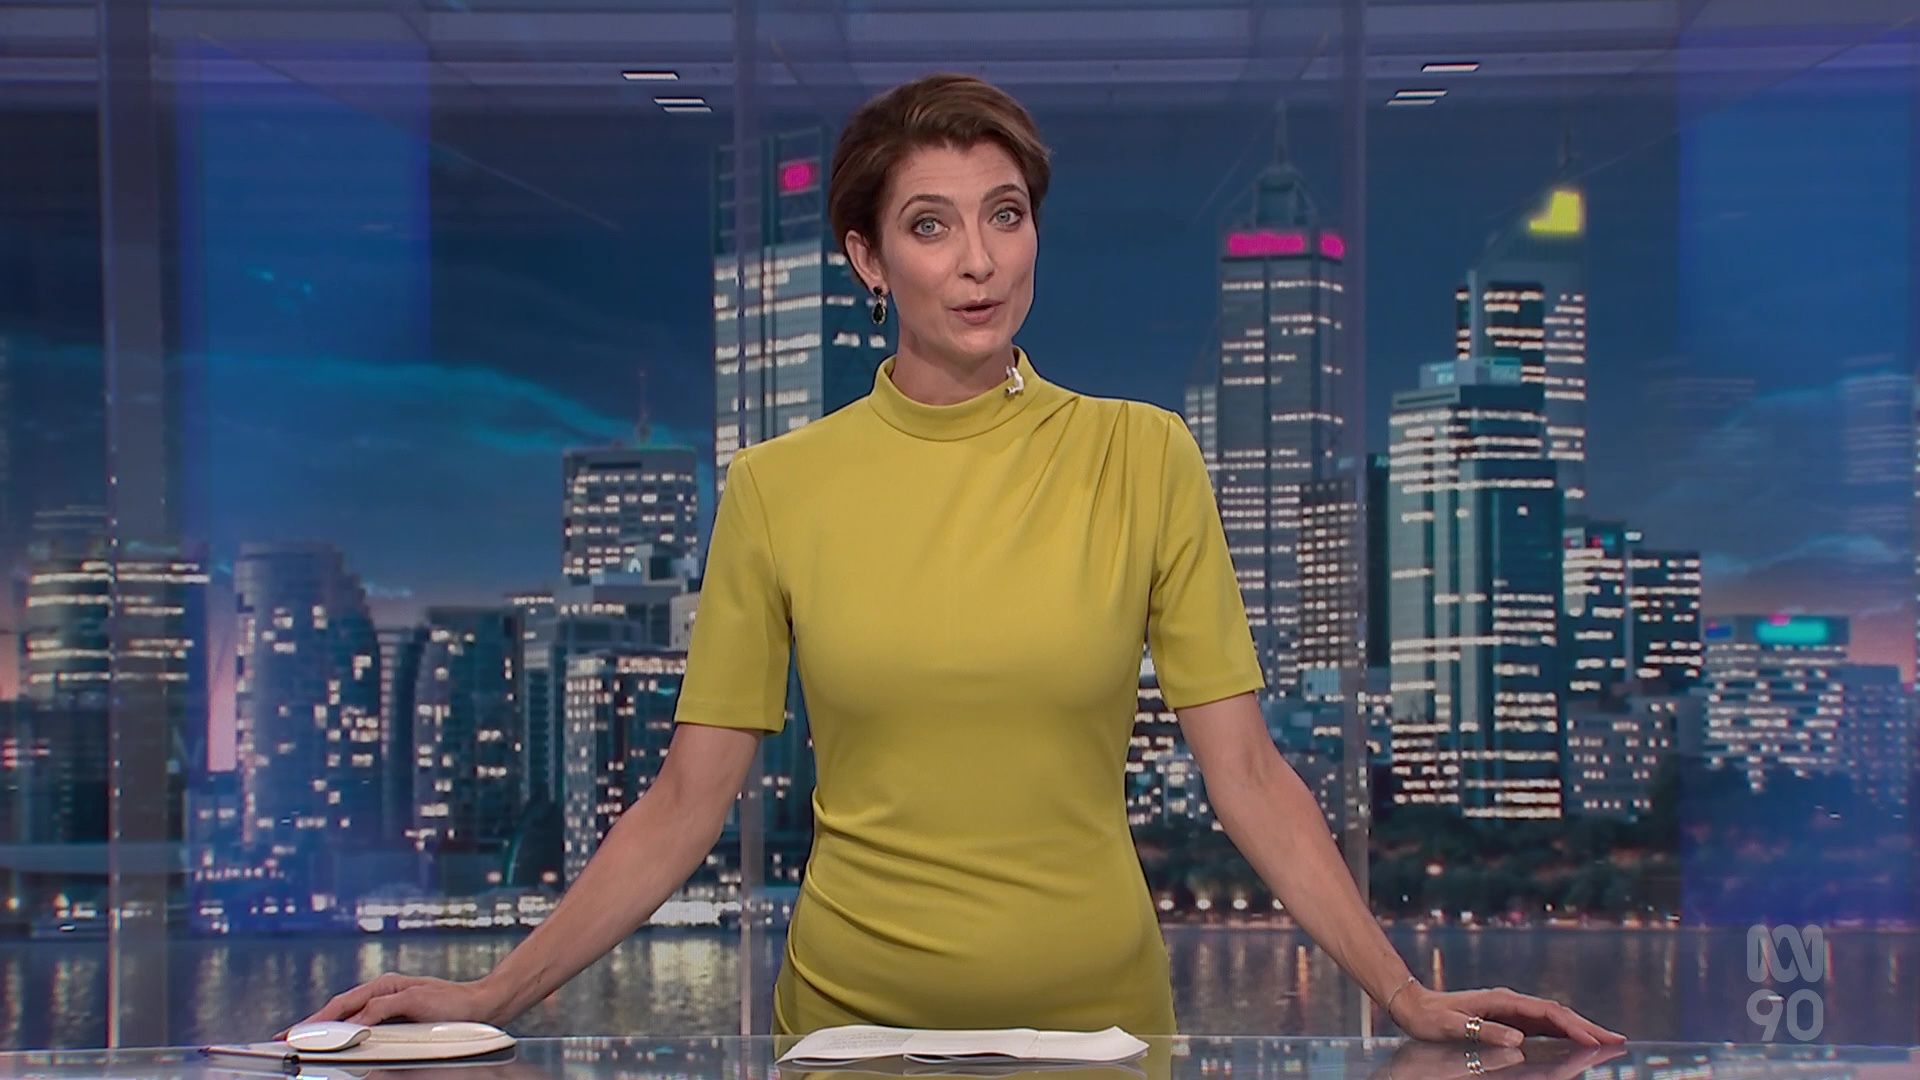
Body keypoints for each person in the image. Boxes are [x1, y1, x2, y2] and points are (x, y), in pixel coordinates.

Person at [284, 73, 1627, 1048]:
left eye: (1006, 215)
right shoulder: (778, 490)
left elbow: (1251, 776)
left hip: (1102, 1035)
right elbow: (689, 799)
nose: (978, 262)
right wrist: (489, 995)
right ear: (867, 257)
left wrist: (1403, 994)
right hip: (851, 1038)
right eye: (931, 225)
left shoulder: (1143, 455)